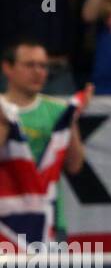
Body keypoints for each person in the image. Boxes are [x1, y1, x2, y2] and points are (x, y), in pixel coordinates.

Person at [0, 39, 89, 240]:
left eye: (43, 66)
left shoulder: (59, 110)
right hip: (5, 220)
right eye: (30, 65)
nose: (38, 71)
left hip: (49, 221)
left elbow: (75, 166)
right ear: (8, 68)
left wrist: (70, 118)